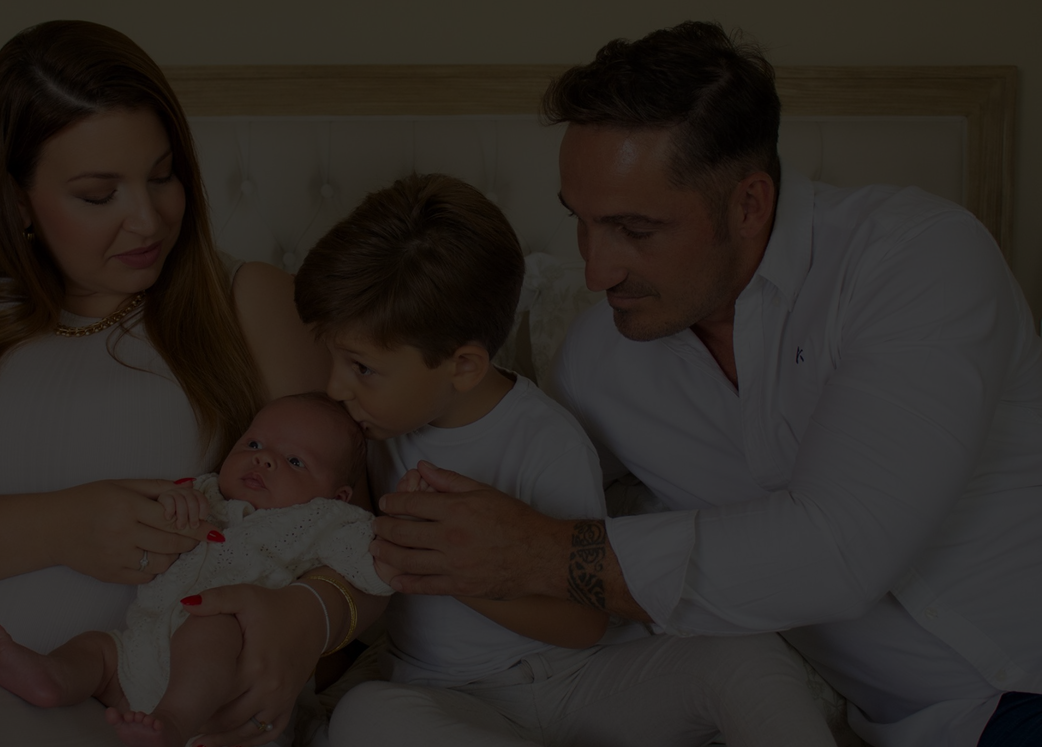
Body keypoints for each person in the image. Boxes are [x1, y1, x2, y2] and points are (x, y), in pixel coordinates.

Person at [368, 22, 1042, 747]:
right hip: (903, 731)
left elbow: (844, 550)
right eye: (581, 222)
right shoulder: (599, 359)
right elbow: (528, 476)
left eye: (635, 229)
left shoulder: (916, 258)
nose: (596, 271)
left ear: (749, 204)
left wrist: (543, 553)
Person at [0, 20, 384, 747]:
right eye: (97, 194)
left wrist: (307, 619)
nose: (148, 219)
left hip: (147, 714)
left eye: (163, 175)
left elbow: (359, 541)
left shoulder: (248, 301)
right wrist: (59, 527)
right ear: (19, 199)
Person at [294, 173, 835, 747]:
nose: (335, 387)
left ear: (463, 367)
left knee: (745, 656)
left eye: (362, 368)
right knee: (360, 715)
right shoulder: (368, 434)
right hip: (444, 697)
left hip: (574, 683)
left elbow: (584, 623)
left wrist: (455, 572)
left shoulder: (546, 440)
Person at [0, 393, 393, 747]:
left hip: (232, 680)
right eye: (254, 443)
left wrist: (401, 524)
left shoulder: (327, 520)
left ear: (338, 495)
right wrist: (175, 505)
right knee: (98, 648)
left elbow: (371, 568)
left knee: (211, 626)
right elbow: (154, 523)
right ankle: (54, 677)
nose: (263, 458)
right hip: (138, 658)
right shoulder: (205, 493)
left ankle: (174, 721)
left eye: (294, 460)